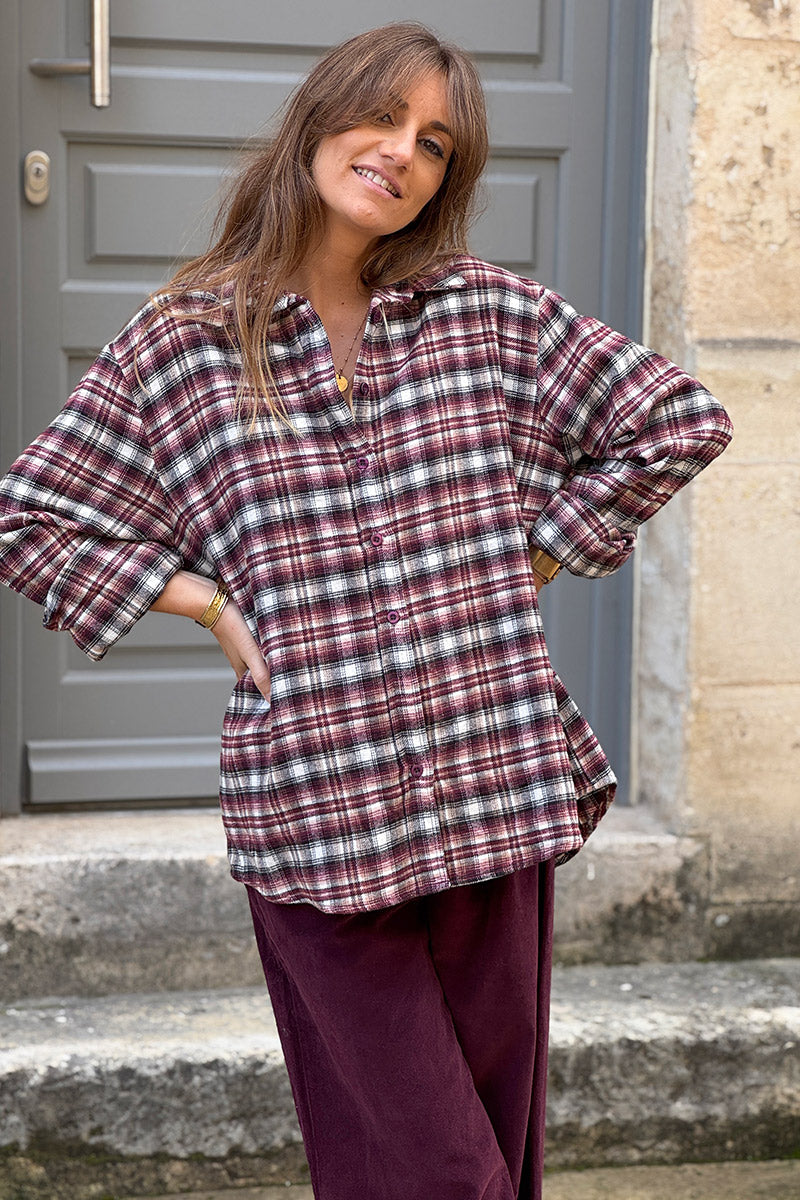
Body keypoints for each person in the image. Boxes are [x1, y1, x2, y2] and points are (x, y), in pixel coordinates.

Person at [0, 22, 732, 1200]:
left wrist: (531, 557)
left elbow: (678, 420)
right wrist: (204, 606)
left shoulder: (486, 316)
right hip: (313, 803)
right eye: (383, 118)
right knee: (430, 1168)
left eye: (435, 145)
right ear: (318, 116)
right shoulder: (182, 346)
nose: (401, 153)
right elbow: (27, 520)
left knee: (495, 1150)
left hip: (490, 775)